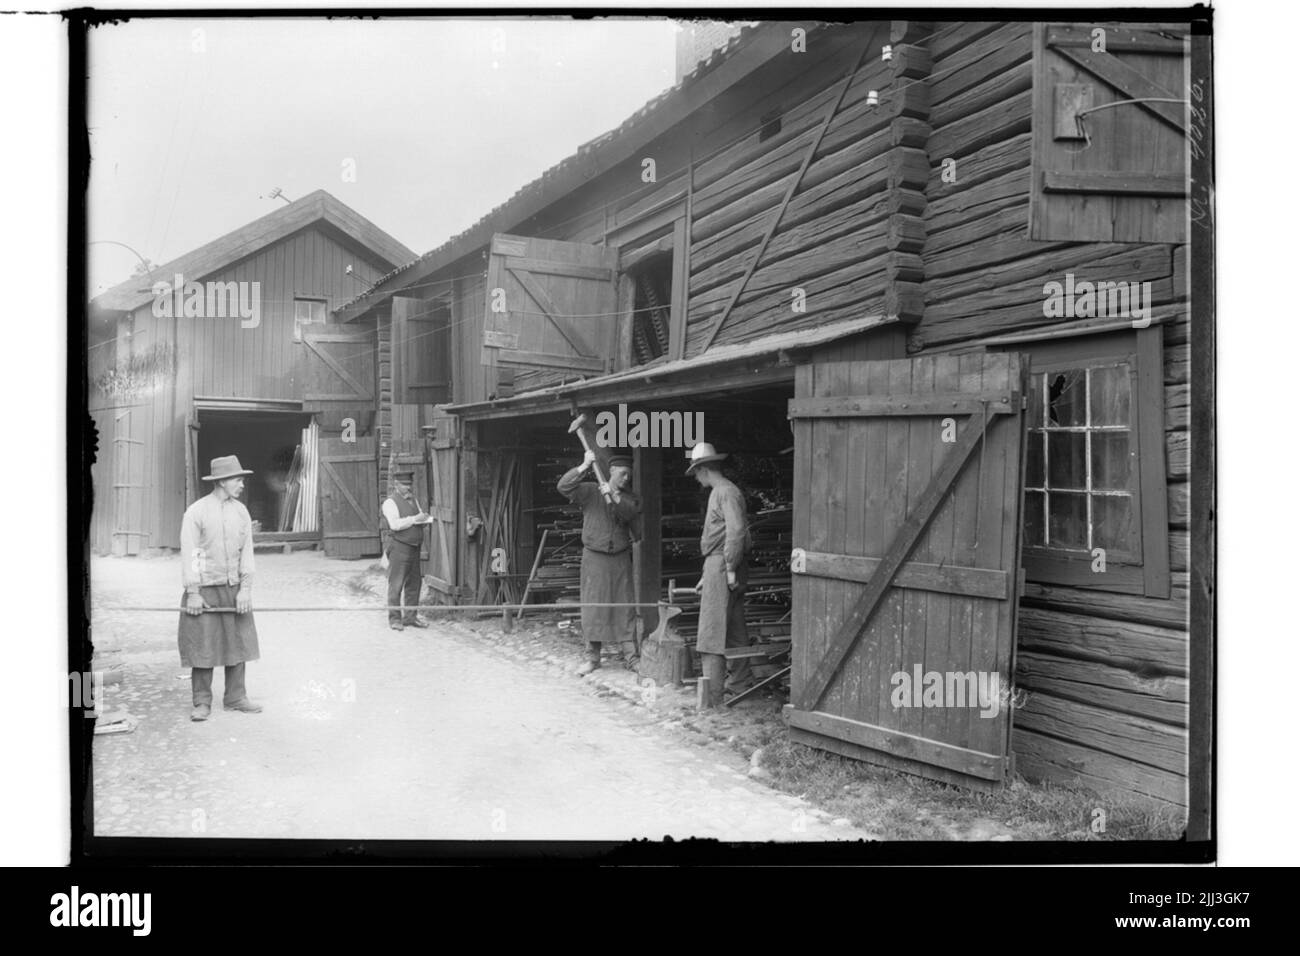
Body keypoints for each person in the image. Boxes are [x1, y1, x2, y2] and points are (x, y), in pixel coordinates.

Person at [179, 455, 263, 722]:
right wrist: (193, 592)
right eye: (238, 480)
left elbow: (247, 553)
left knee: (238, 641)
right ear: (223, 481)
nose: (242, 485)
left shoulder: (241, 512)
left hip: (234, 588)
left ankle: (235, 697)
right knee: (203, 645)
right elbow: (192, 554)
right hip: (205, 590)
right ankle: (202, 701)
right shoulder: (197, 512)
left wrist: (245, 589)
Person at [557, 449, 641, 675]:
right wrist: (584, 466)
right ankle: (592, 657)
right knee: (593, 607)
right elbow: (564, 487)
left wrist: (613, 497)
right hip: (594, 558)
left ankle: (632, 658)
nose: (626, 479)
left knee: (624, 607)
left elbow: (631, 516)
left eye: (629, 476)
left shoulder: (629, 498)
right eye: (623, 474)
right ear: (612, 471)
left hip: (620, 558)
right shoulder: (591, 492)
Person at [686, 442, 754, 707]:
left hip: (724, 565)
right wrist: (710, 573)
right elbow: (726, 534)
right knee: (735, 628)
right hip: (718, 565)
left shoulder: (724, 492)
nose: (695, 477)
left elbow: (736, 532)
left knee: (711, 631)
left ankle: (712, 696)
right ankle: (740, 685)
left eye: (696, 471)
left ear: (704, 469)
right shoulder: (723, 491)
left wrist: (728, 569)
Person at [382, 469, 430, 631]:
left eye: (410, 485)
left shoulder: (413, 500)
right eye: (404, 485)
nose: (408, 488)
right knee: (396, 584)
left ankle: (410, 617)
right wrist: (415, 519)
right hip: (399, 548)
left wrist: (423, 520)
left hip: (414, 547)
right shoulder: (390, 503)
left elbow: (414, 519)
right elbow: (395, 525)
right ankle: (395, 619)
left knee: (414, 583)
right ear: (396, 485)